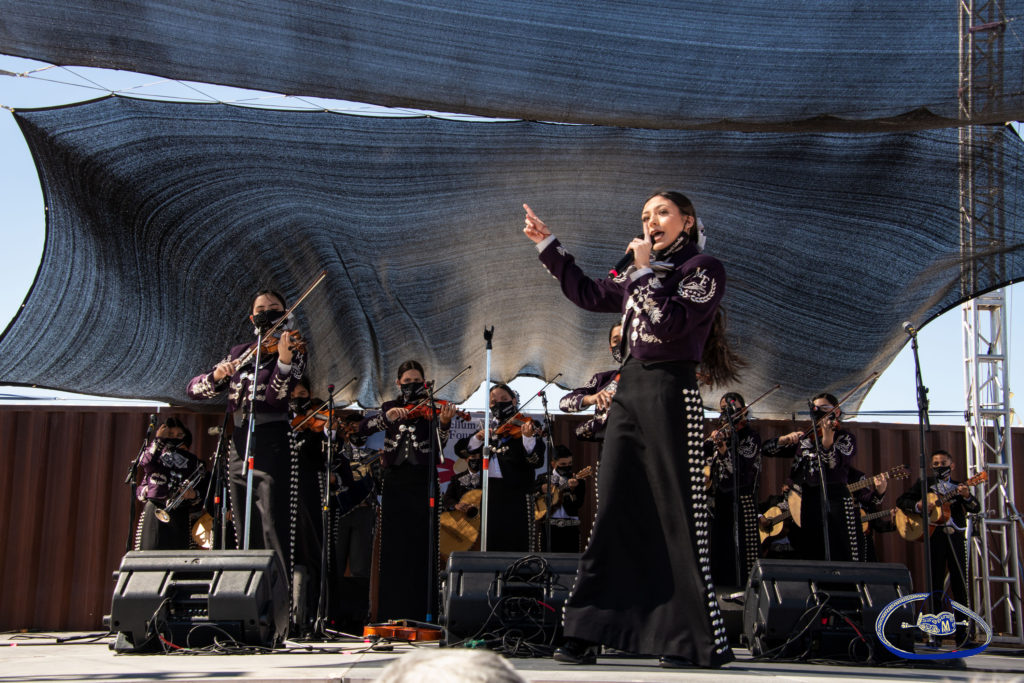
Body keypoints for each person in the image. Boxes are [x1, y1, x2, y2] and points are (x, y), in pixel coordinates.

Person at [522, 190, 740, 668]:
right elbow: (590, 292)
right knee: (613, 507)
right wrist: (549, 247)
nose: (651, 221)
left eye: (661, 212)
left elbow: (672, 327)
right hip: (630, 392)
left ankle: (687, 639)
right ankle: (585, 631)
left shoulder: (703, 268)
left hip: (671, 391)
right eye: (645, 215)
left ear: (687, 221)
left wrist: (642, 273)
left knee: (676, 512)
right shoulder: (638, 271)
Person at [186, 289, 306, 577]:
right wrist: (217, 376)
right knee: (242, 519)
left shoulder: (295, 349)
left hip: (274, 436)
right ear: (253, 317)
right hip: (240, 439)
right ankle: (247, 592)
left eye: (274, 307)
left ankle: (279, 599)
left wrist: (283, 361)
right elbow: (193, 390)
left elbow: (277, 397)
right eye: (261, 308)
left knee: (273, 522)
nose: (267, 311)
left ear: (285, 313)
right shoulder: (240, 352)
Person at [356, 360, 455, 622]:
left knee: (422, 544)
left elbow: (441, 448)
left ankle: (424, 612)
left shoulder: (433, 406)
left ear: (425, 382)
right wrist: (386, 418)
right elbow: (362, 430)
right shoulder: (390, 407)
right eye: (407, 381)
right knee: (394, 545)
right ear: (398, 383)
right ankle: (391, 612)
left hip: (422, 480)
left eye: (416, 381)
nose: (412, 385)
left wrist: (444, 424)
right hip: (395, 481)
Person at [761, 393, 862, 562]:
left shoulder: (845, 437)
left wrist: (828, 441)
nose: (818, 412)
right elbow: (766, 450)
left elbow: (833, 465)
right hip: (807, 501)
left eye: (824, 408)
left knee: (838, 549)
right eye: (815, 409)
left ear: (836, 412)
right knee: (810, 550)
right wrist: (784, 440)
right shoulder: (806, 438)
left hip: (835, 499)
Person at [897, 449, 980, 643]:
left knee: (960, 585)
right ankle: (936, 634)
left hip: (956, 536)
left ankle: (963, 635)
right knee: (934, 584)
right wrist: (919, 506)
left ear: (952, 465)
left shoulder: (959, 486)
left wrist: (967, 496)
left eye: (943, 463)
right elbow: (901, 501)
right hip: (935, 537)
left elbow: (975, 507)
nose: (939, 466)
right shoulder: (925, 485)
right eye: (935, 464)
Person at [453, 383, 545, 553]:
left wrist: (528, 438)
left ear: (514, 400)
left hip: (517, 493)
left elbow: (536, 461)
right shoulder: (488, 429)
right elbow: (461, 448)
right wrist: (479, 438)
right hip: (491, 493)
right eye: (494, 401)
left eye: (504, 399)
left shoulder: (525, 425)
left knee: (518, 542)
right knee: (492, 542)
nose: (498, 403)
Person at [704, 392, 761, 587]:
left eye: (731, 408)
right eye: (723, 409)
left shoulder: (750, 436)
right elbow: (702, 458)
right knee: (721, 545)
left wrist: (723, 449)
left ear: (743, 410)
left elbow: (740, 468)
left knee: (744, 547)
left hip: (743, 498)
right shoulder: (721, 434)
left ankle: (748, 590)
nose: (726, 412)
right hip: (721, 499)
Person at [134, 417, 203, 550]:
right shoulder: (155, 456)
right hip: (155, 510)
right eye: (170, 435)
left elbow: (202, 494)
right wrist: (159, 440)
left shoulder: (194, 462)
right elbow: (145, 466)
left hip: (180, 513)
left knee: (177, 559)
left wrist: (192, 495)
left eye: (180, 435)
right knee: (149, 557)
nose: (175, 438)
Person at [558, 324, 622, 442]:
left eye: (626, 340)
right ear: (610, 349)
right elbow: (563, 403)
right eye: (616, 341)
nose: (622, 345)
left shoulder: (655, 376)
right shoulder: (602, 379)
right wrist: (592, 398)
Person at [534, 445, 587, 553]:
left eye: (570, 464)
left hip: (570, 528)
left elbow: (578, 504)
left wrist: (572, 490)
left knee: (571, 563)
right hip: (549, 528)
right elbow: (533, 496)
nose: (567, 466)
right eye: (563, 464)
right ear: (553, 464)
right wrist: (541, 489)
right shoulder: (543, 478)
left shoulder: (578, 481)